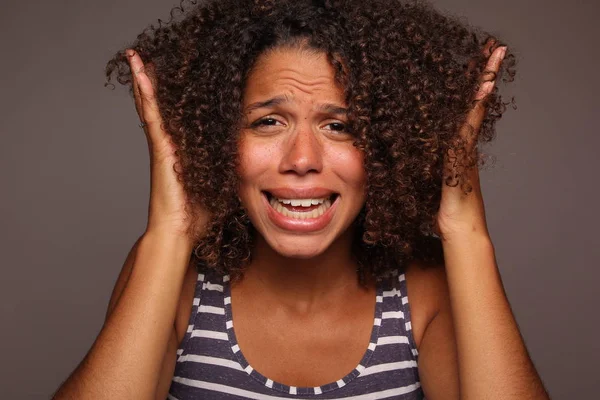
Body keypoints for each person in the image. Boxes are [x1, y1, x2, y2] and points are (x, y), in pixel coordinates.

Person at [53, 0, 550, 398]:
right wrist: (170, 231)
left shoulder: (424, 290)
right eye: (269, 121)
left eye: (340, 126)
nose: (302, 159)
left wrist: (465, 229)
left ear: (387, 145)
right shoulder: (173, 275)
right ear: (218, 138)